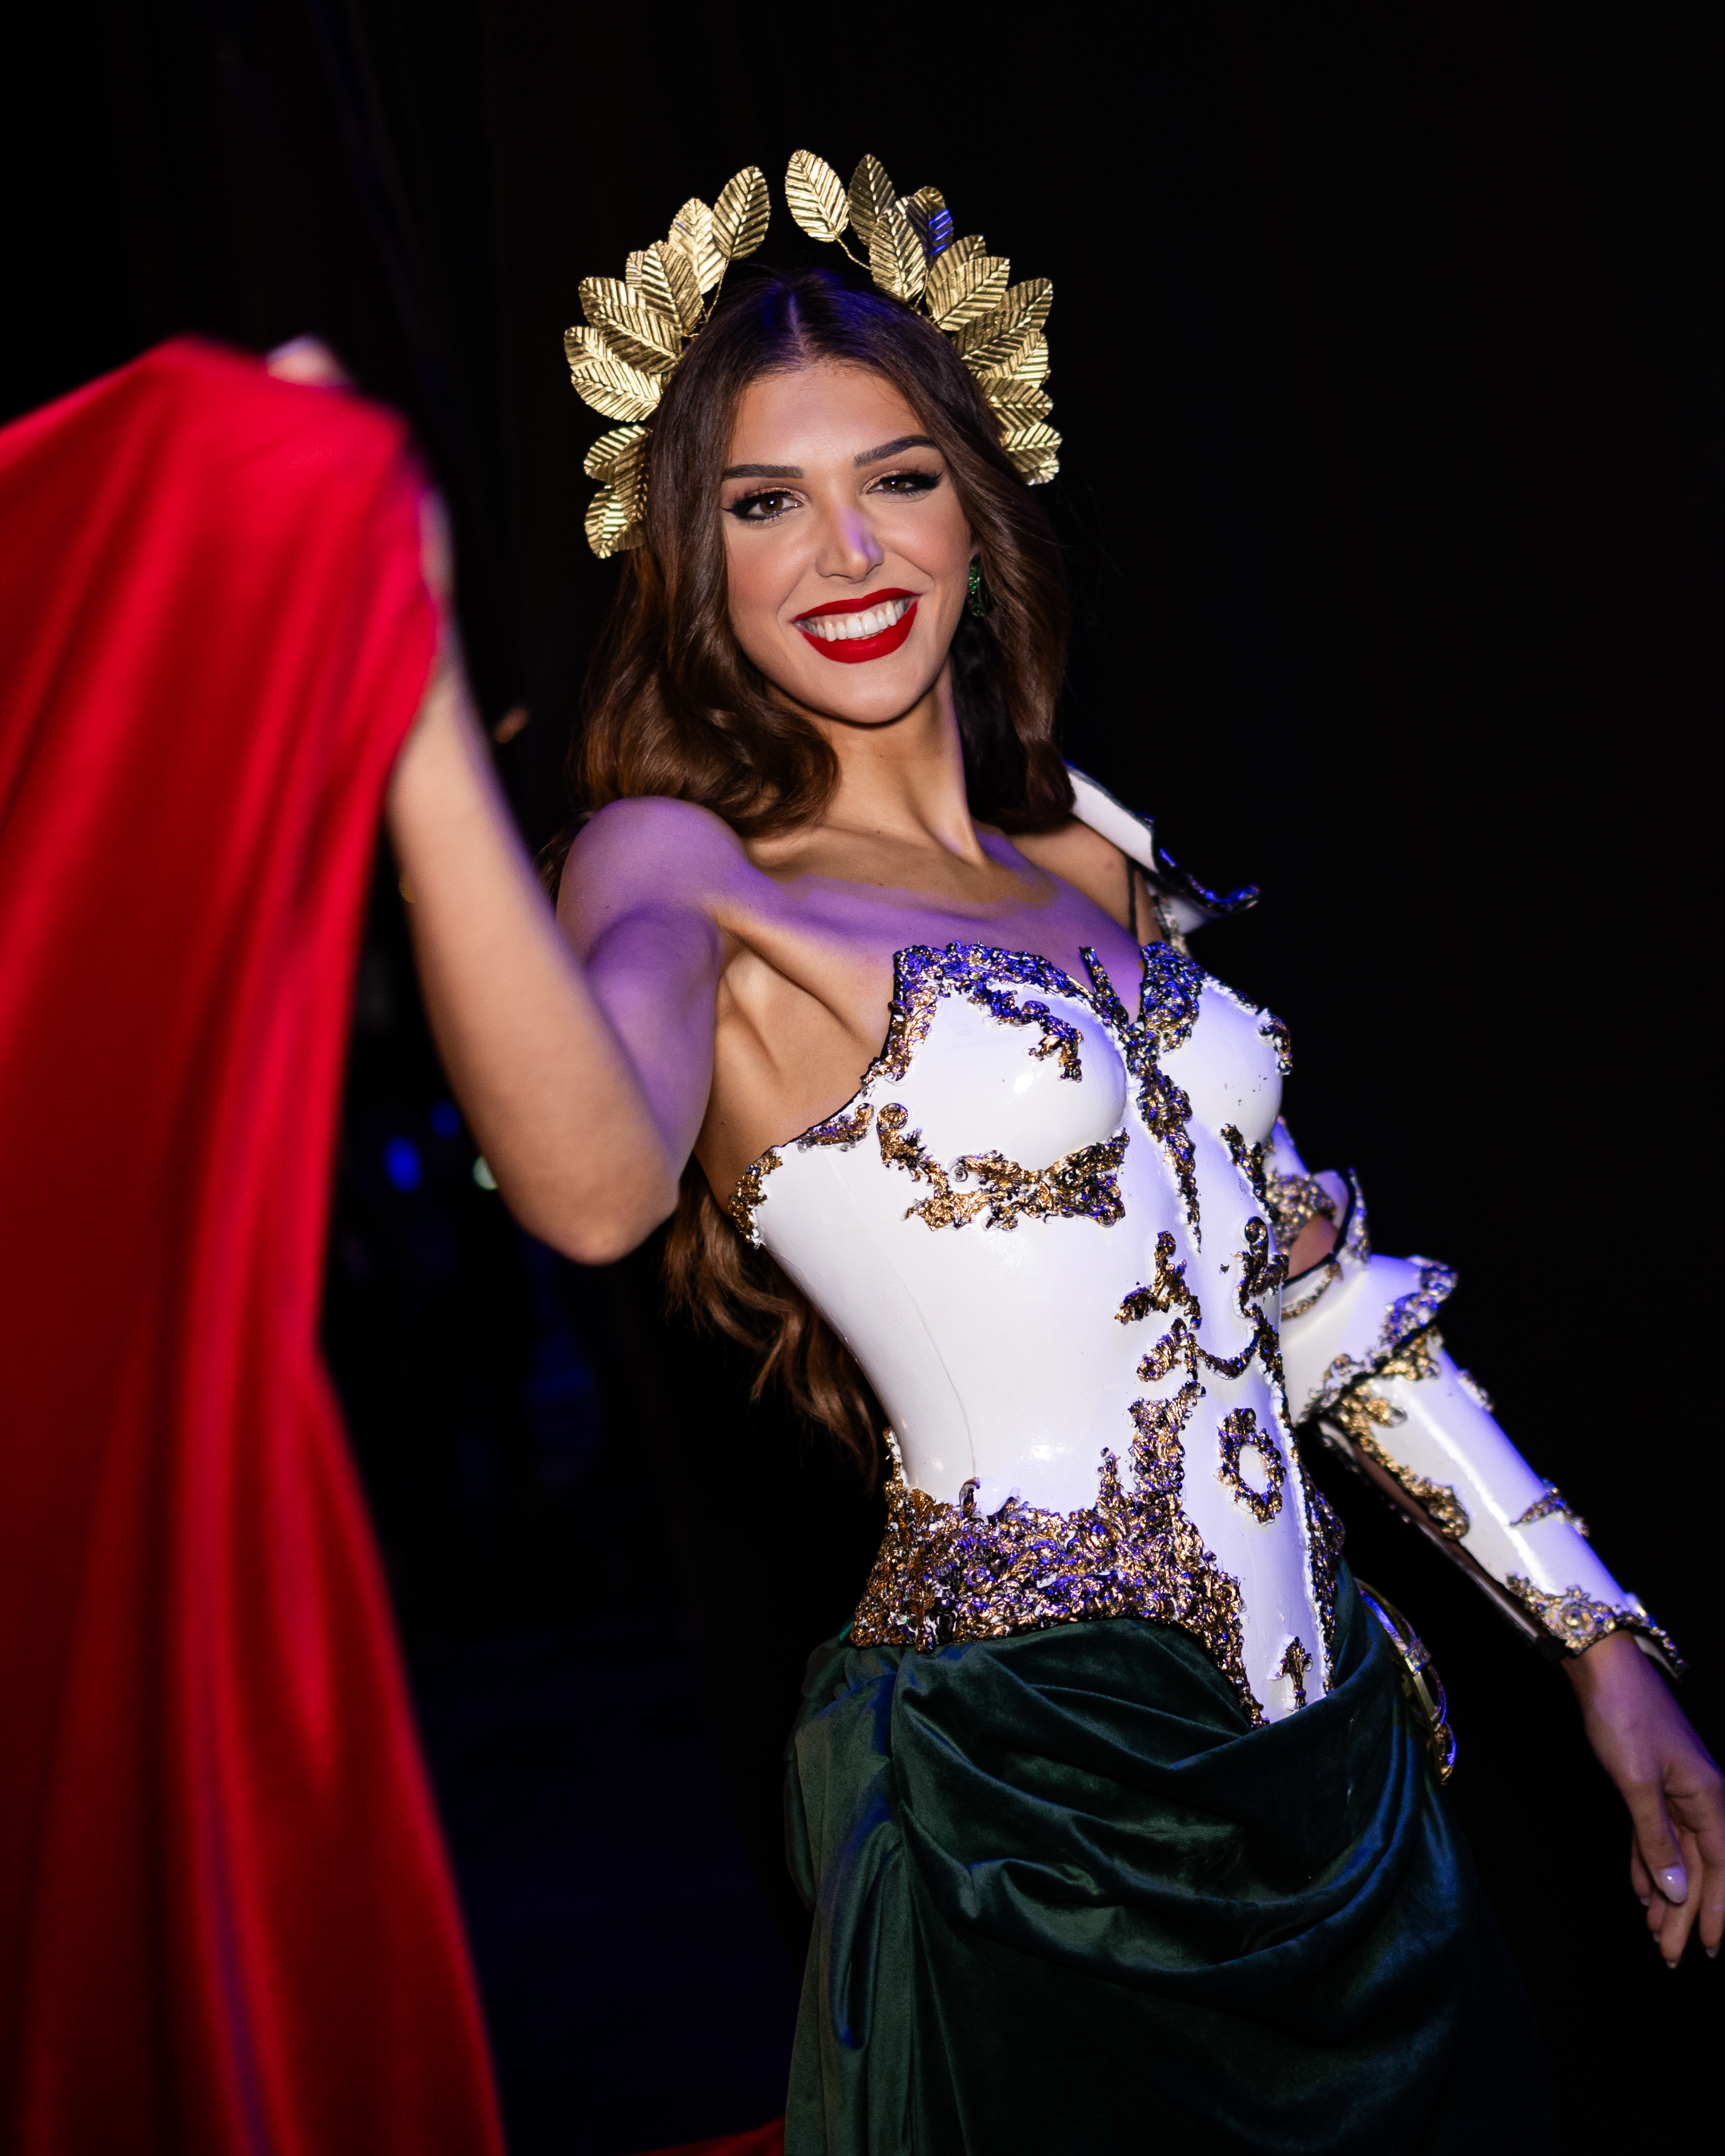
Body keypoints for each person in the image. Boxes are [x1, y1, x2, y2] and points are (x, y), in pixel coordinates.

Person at [383, 156, 1722, 2152]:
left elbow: (1314, 1295)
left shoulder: (1101, 862)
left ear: (981, 517)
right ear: (701, 563)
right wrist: (408, 717)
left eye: (896, 477)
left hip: (1356, 1772)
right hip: (1042, 1810)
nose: (845, 547)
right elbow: (587, 1184)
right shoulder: (694, 876)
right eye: (767, 503)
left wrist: (1602, 1642)